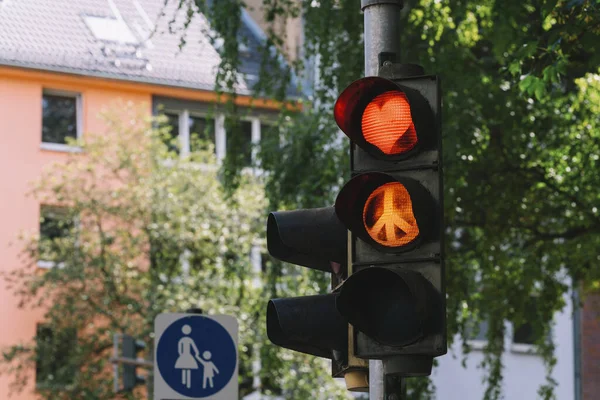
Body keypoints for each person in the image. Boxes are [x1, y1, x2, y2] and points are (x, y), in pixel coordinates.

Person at [174, 325, 201, 389]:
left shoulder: (183, 340)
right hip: (186, 355)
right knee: (186, 368)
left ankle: (186, 383)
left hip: (185, 355)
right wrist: (196, 353)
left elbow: (180, 348)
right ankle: (185, 383)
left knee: (186, 368)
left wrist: (181, 354)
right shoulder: (188, 339)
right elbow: (194, 347)